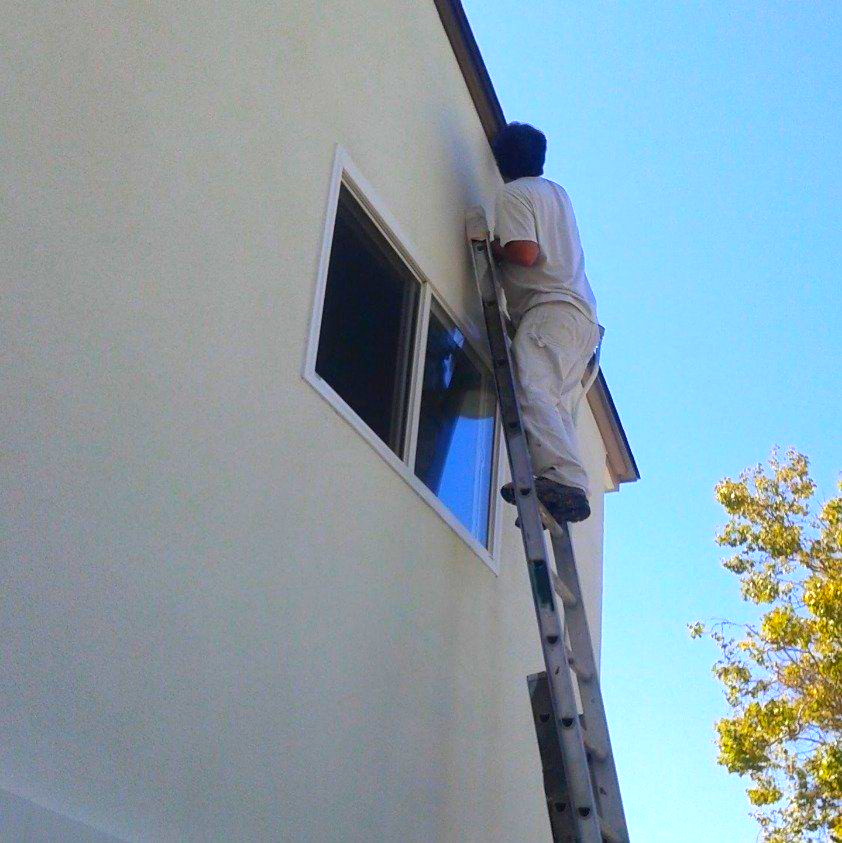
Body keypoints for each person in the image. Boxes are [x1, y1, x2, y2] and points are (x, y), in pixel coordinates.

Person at [491, 122, 600, 524]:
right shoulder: (557, 194)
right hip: (579, 320)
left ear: (501, 160)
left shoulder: (515, 193)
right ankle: (557, 490)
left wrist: (495, 250)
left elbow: (525, 253)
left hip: (549, 312)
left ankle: (564, 479)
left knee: (532, 389)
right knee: (552, 402)